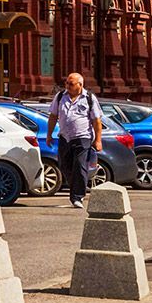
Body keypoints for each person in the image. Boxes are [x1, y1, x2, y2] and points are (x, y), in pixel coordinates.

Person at [48, 71, 103, 208]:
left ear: (80, 85)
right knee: (64, 165)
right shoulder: (60, 96)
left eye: (70, 84)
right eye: (66, 83)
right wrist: (49, 135)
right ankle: (76, 187)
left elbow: (96, 121)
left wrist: (98, 140)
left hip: (82, 137)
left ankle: (77, 196)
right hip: (64, 137)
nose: (67, 86)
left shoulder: (89, 98)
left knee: (79, 165)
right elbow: (53, 116)